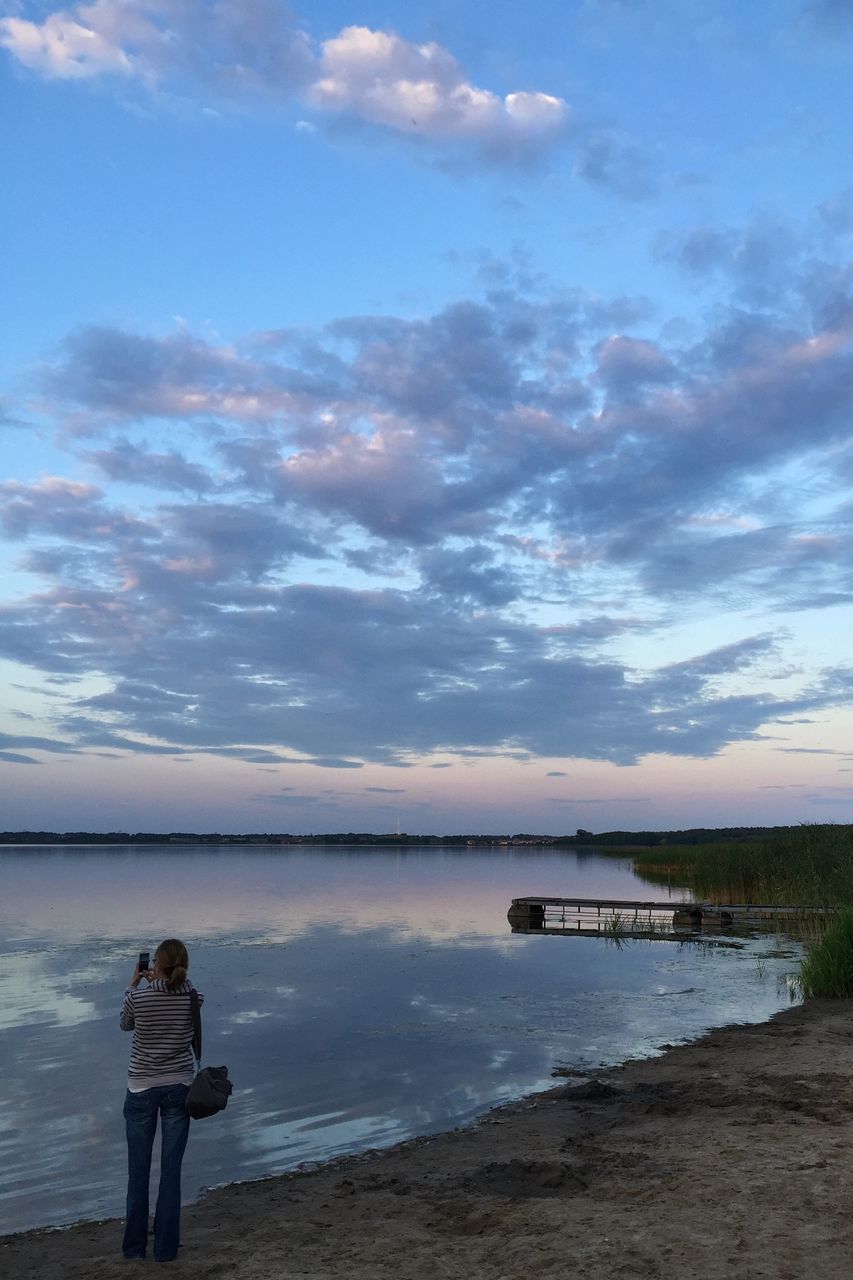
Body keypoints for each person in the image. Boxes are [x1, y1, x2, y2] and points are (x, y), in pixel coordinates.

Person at [119, 938, 202, 1262]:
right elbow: (186, 994)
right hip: (179, 1088)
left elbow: (125, 1024)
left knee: (138, 1172)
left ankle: (134, 1249)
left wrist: (133, 985)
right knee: (171, 1172)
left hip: (141, 1088)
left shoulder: (139, 998)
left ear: (155, 964)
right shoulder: (194, 996)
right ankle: (165, 1251)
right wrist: (164, 983)